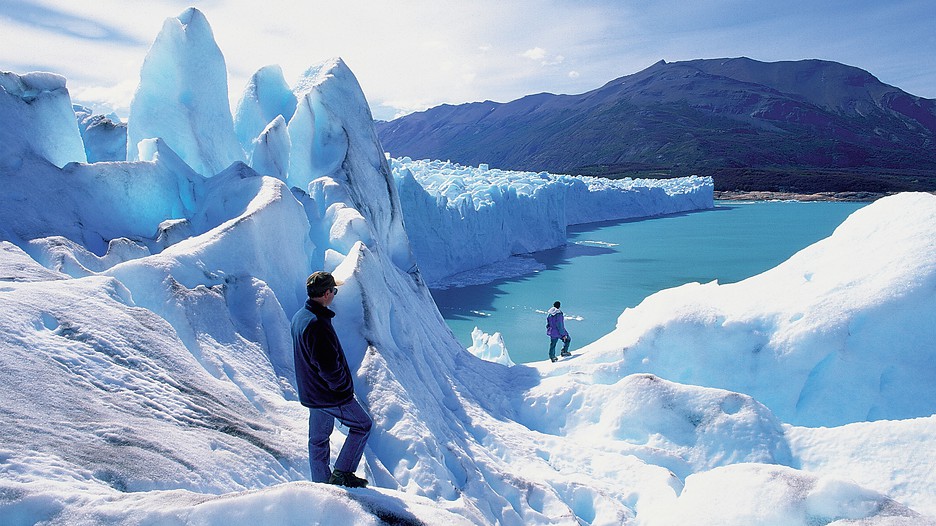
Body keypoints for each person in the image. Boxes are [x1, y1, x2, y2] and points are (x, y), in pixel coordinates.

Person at [291, 271, 372, 488]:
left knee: (318, 440)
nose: (335, 294)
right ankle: (342, 473)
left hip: (312, 394)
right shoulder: (317, 324)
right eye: (334, 290)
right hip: (329, 395)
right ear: (326, 293)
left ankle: (321, 484)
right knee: (363, 425)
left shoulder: (300, 317)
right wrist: (343, 389)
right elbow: (328, 366)